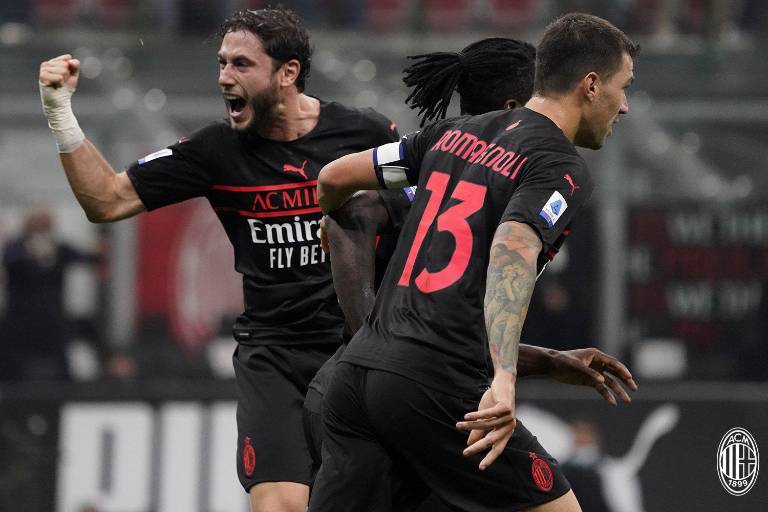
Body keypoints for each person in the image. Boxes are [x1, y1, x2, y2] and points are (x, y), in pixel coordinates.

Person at [38, 8, 398, 512]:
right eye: (222, 63)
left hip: (356, 347)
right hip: (274, 356)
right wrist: (60, 113)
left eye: (242, 64)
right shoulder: (215, 151)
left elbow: (420, 221)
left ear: (288, 72)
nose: (225, 77)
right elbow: (107, 201)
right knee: (279, 505)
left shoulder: (365, 134)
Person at [310, 13, 639, 512]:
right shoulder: (558, 165)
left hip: (355, 378)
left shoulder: (450, 134)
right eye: (623, 87)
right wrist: (504, 379)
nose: (626, 105)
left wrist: (327, 212)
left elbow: (334, 178)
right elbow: (514, 247)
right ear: (591, 86)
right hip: (437, 385)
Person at [0, 207, 101, 381]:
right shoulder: (16, 247)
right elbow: (10, 261)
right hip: (20, 318)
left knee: (61, 361)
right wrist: (30, 254)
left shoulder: (59, 249)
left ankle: (65, 390)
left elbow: (87, 258)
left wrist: (100, 249)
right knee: (12, 364)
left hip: (51, 316)